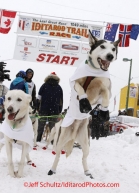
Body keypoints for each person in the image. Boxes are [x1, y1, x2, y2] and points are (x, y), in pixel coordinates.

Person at [36, 72, 63, 142]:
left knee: (41, 125)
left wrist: (37, 107)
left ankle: (38, 139)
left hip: (43, 109)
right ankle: (52, 140)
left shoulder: (44, 85)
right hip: (54, 110)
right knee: (53, 126)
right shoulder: (59, 87)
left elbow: (39, 97)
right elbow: (61, 101)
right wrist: (59, 110)